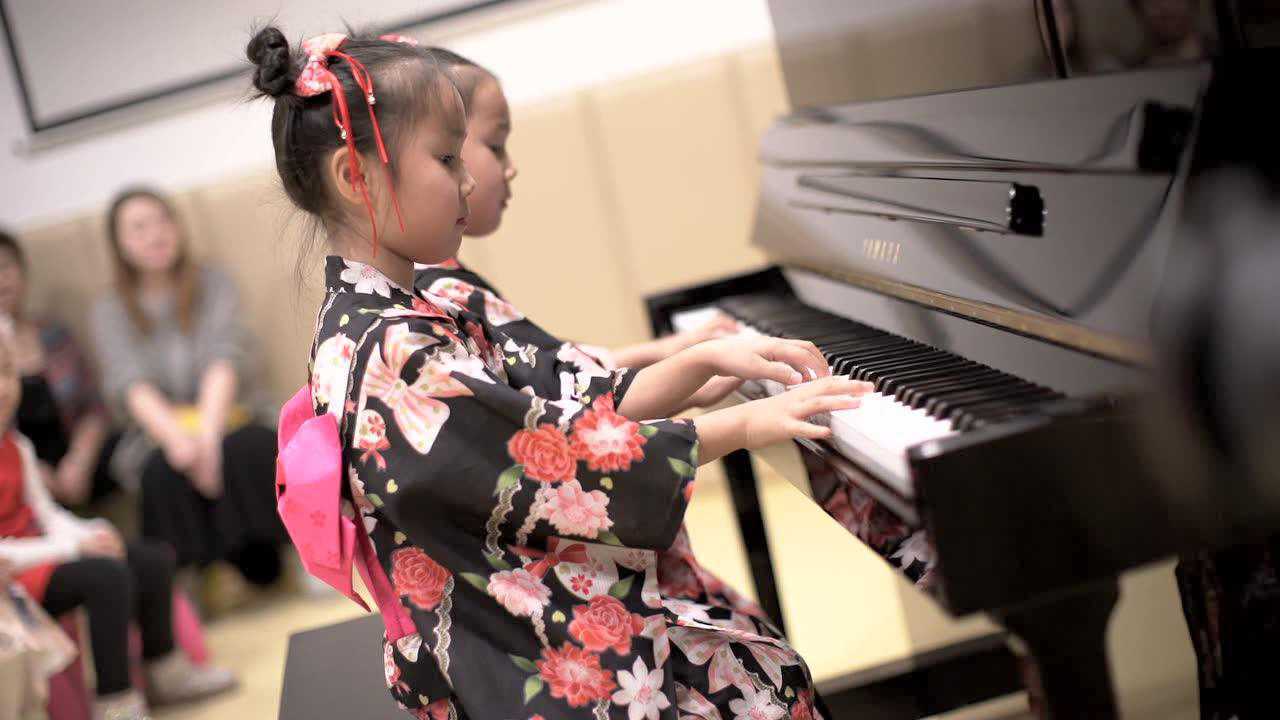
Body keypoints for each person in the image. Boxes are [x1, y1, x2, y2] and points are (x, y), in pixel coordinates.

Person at [248, 27, 870, 718]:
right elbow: (559, 461)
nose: (468, 179)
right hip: (511, 649)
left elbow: (571, 393)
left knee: (755, 654)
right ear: (354, 175)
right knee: (765, 685)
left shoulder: (397, 313)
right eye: (447, 156)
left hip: (517, 609)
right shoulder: (391, 353)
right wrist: (744, 423)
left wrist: (700, 362)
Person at [0, 318, 235, 720]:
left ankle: (165, 671)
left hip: (40, 558)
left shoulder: (17, 446)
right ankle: (117, 701)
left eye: (5, 371)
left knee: (149, 559)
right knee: (106, 577)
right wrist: (74, 547)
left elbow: (47, 514)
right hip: (12, 579)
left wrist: (90, 532)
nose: (3, 388)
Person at [89, 188, 287, 599]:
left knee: (250, 447)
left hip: (231, 413)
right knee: (162, 471)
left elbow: (224, 357)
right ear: (120, 245)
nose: (155, 234)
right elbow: (132, 385)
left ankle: (282, 559)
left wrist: (208, 440)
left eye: (162, 221)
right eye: (139, 228)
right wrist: (181, 443)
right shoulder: (109, 309)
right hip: (158, 429)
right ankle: (190, 586)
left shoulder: (214, 283)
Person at [0, 231, 116, 509]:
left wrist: (79, 461)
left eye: (4, 267)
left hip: (79, 460)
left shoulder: (55, 334)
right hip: (17, 475)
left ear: (23, 272)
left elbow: (94, 408)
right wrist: (31, 472)